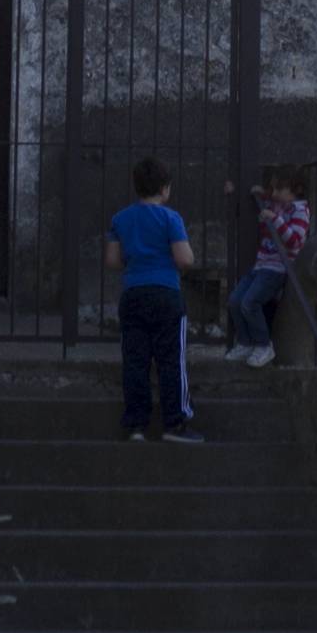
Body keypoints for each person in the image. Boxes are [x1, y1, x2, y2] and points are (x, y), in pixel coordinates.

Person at [110, 157, 202, 445]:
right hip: (166, 294)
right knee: (171, 360)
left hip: (133, 294)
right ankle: (174, 423)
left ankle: (136, 425)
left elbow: (113, 260)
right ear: (164, 189)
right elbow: (184, 258)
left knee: (135, 360)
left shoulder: (120, 219)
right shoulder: (170, 219)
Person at [225, 167, 308, 368]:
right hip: (261, 264)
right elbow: (268, 197)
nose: (276, 194)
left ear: (296, 189)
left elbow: (295, 241)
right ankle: (245, 342)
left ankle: (263, 344)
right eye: (274, 189)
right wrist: (261, 194)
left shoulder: (299, 210)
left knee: (250, 302)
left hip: (277, 268)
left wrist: (275, 220)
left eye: (280, 189)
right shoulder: (277, 203)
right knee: (235, 301)